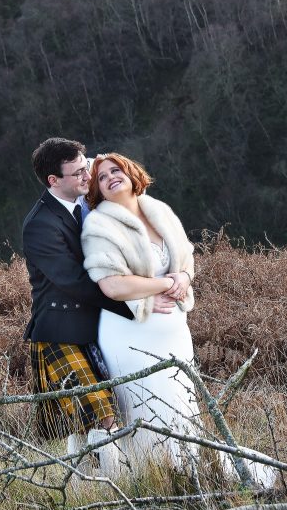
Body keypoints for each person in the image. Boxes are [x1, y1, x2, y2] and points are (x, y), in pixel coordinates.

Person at [81, 152, 276, 486]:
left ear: (131, 174)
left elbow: (185, 258)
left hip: (174, 333)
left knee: (181, 402)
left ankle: (190, 471)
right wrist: (162, 285)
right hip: (129, 335)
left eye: (117, 170)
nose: (111, 177)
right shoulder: (99, 225)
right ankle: (151, 480)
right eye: (101, 176)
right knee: (144, 405)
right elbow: (111, 284)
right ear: (97, 190)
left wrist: (183, 279)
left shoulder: (158, 210)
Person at [21, 138, 179, 444]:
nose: (88, 175)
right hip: (61, 332)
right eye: (78, 172)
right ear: (54, 180)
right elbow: (76, 282)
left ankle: (107, 474)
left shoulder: (89, 198)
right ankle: (103, 485)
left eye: (86, 166)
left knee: (122, 411)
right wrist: (138, 301)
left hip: (101, 328)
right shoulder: (40, 225)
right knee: (101, 416)